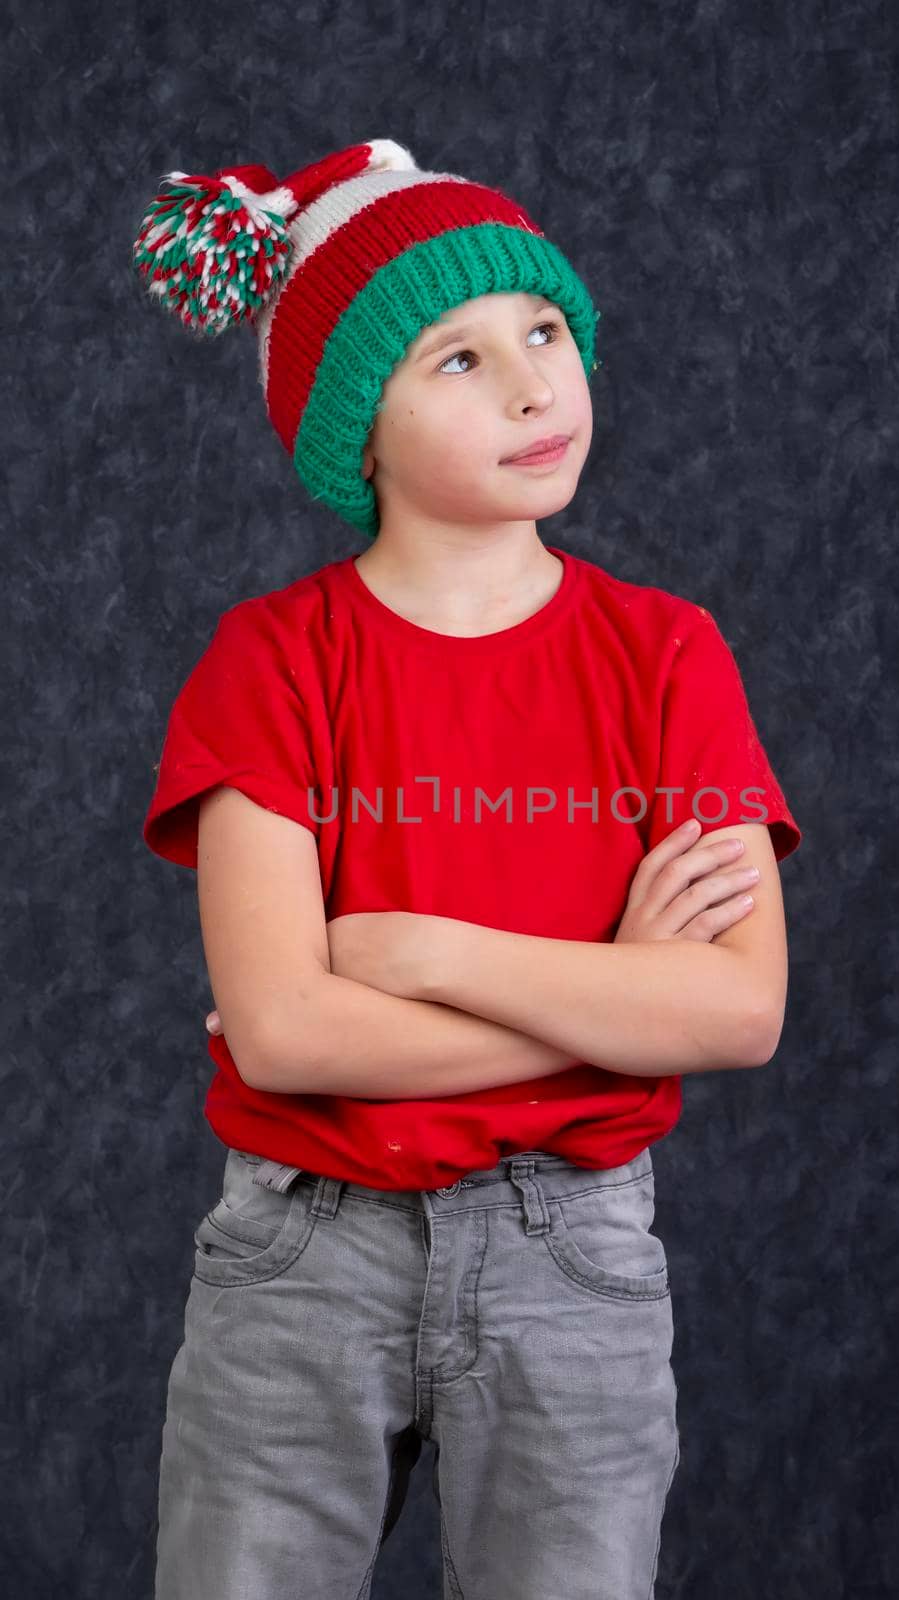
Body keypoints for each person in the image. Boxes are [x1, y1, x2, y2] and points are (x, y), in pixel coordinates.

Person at [136, 137, 802, 1600]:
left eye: (547, 332)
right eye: (456, 357)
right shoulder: (270, 665)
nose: (530, 383)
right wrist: (617, 994)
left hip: (572, 1250)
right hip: (303, 1250)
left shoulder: (667, 655)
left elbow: (738, 1011)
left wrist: (427, 951)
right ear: (352, 433)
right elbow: (289, 1031)